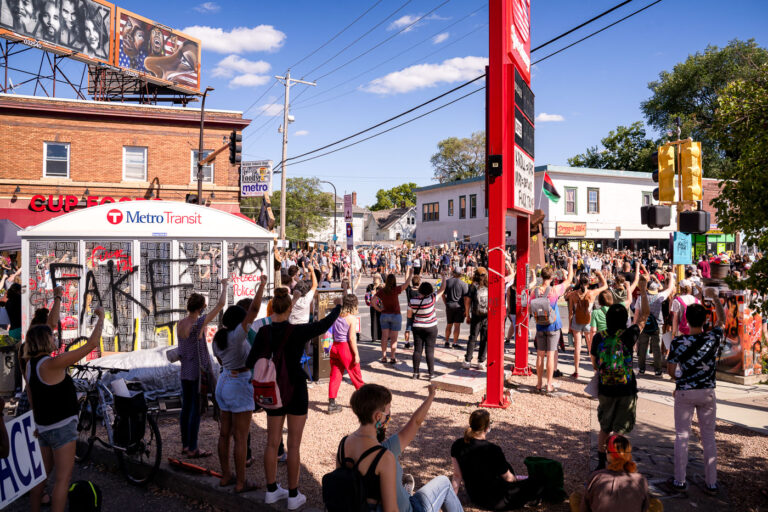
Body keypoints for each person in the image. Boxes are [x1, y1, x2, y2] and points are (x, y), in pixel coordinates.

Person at [246, 288, 341, 510]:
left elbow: (251, 360)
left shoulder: (263, 332)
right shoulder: (297, 331)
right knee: (294, 444)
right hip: (295, 387)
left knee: (272, 441)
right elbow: (323, 325)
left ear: (272, 309)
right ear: (290, 308)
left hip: (272, 390)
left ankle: (271, 490)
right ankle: (293, 493)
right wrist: (337, 307)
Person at [24, 307, 104, 512]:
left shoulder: (30, 366)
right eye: (51, 338)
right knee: (62, 480)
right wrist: (101, 316)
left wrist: (36, 422)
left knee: (42, 476)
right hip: (61, 427)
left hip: (43, 427)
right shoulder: (52, 364)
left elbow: (32, 397)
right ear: (44, 341)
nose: (54, 341)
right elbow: (92, 344)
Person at [345, 383, 463, 512]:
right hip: (410, 509)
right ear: (378, 416)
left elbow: (415, 422)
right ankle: (405, 491)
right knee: (444, 483)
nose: (390, 414)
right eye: (388, 410)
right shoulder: (384, 457)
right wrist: (431, 394)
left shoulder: (344, 445)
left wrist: (430, 396)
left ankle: (406, 491)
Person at [661, 289, 726, 496]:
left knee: (682, 435)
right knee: (708, 437)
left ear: (686, 320)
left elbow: (671, 371)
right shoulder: (713, 338)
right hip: (707, 392)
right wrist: (714, 298)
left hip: (685, 392)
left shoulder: (678, 342)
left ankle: (679, 480)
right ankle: (712, 482)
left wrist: (680, 380)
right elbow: (722, 321)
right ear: (706, 319)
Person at [213, 276, 266, 493]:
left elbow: (219, 360)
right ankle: (241, 482)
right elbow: (253, 310)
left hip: (224, 381)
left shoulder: (219, 337)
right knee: (241, 437)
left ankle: (226, 476)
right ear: (239, 321)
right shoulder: (237, 336)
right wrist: (261, 286)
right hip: (239, 383)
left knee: (224, 433)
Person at [589, 277, 649, 471]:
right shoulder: (628, 335)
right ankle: (619, 462)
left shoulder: (599, 337)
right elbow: (644, 316)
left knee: (605, 427)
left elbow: (595, 363)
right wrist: (644, 290)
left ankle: (600, 461)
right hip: (626, 388)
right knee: (621, 430)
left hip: (606, 388)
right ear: (624, 320)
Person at [177, 279, 229, 458]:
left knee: (186, 408)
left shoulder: (180, 323)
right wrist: (224, 286)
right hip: (198, 372)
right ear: (200, 308)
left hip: (185, 370)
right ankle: (193, 447)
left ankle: (185, 445)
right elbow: (221, 304)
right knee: (196, 410)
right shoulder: (198, 324)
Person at [451, 409, 540, 510]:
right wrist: (519, 480)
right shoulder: (492, 449)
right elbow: (509, 479)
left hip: (475, 497)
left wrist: (452, 500)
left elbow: (457, 476)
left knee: (506, 466)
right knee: (537, 482)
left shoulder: (457, 445)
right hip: (497, 500)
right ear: (487, 427)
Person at [572, 435, 662, 512]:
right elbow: (644, 507)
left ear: (609, 454)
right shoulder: (640, 479)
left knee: (575, 496)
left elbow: (584, 508)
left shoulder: (596, 477)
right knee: (656, 504)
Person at [531, 258, 574, 393]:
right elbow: (569, 280)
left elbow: (529, 309)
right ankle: (549, 384)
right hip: (553, 325)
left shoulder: (535, 291)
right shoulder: (555, 290)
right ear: (551, 277)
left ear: (541, 276)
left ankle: (538, 383)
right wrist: (570, 264)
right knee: (550, 355)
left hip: (540, 326)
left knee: (539, 355)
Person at [565, 271, 607, 379]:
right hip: (589, 321)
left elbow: (570, 312)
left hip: (576, 321)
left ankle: (576, 371)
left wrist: (570, 326)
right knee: (590, 347)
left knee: (577, 347)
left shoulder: (573, 295)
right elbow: (605, 285)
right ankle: (595, 371)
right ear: (588, 283)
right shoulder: (592, 293)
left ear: (579, 282)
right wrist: (600, 274)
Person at [328, 294, 365, 414]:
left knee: (335, 375)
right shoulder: (351, 319)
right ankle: (366, 400)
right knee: (355, 374)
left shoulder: (335, 315)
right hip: (345, 347)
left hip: (335, 346)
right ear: (353, 306)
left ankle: (332, 402)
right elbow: (352, 338)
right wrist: (357, 354)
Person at [633, 271, 675, 376]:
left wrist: (635, 327)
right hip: (657, 325)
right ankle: (657, 370)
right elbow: (670, 289)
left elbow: (637, 313)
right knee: (656, 348)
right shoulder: (659, 296)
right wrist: (671, 277)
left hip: (643, 325)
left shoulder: (640, 298)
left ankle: (641, 368)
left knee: (642, 347)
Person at [373, 268, 413, 364]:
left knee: (384, 337)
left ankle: (383, 356)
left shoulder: (382, 291)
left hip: (384, 315)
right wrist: (410, 274)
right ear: (394, 281)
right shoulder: (396, 290)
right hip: (395, 315)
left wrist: (379, 309)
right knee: (394, 338)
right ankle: (392, 357)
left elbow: (373, 301)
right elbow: (406, 284)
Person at [409, 277, 446, 380]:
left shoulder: (413, 300)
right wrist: (443, 278)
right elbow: (442, 288)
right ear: (430, 291)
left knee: (417, 350)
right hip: (431, 326)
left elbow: (409, 314)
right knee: (429, 351)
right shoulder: (431, 298)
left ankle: (415, 373)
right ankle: (431, 374)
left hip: (417, 326)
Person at [463, 269, 490, 370]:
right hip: (486, 315)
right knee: (484, 338)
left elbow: (468, 301)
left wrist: (467, 314)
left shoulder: (473, 286)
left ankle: (468, 360)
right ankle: (481, 361)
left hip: (475, 314)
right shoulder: (489, 286)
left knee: (473, 337)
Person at [443, 269, 468, 349]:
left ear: (453, 273)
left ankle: (446, 341)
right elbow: (465, 298)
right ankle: (454, 343)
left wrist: (446, 302)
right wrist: (466, 310)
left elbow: (442, 294)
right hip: (459, 306)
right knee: (457, 325)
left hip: (449, 305)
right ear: (461, 274)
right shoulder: (463, 284)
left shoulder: (447, 282)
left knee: (449, 324)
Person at [403, 274, 421, 349]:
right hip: (418, 311)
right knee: (417, 328)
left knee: (408, 327)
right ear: (419, 282)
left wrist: (409, 272)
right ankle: (416, 343)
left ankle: (406, 343)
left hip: (410, 310)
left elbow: (406, 281)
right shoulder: (420, 291)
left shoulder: (409, 290)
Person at [366, 275, 383, 342]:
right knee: (374, 321)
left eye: (377, 278)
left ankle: (382, 336)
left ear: (379, 279)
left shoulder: (382, 286)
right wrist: (372, 292)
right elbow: (367, 295)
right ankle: (374, 337)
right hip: (373, 306)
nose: (375, 279)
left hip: (380, 305)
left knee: (381, 320)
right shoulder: (370, 286)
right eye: (374, 278)